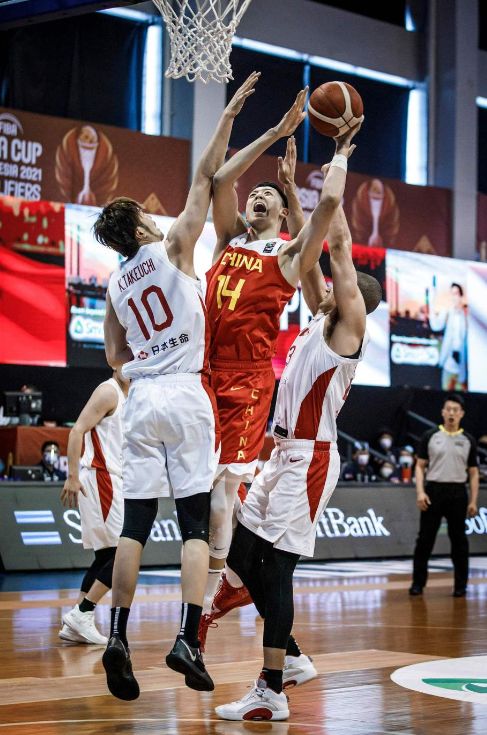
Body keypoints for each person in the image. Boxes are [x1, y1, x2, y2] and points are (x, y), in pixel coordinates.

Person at [94, 73, 260, 700]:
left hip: (140, 401)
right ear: (139, 228)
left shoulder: (115, 284)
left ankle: (116, 636)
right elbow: (206, 175)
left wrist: (144, 356)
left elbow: (114, 355)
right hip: (186, 395)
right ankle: (187, 637)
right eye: (142, 213)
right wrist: (230, 114)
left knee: (134, 526)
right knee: (193, 525)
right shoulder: (174, 246)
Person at [215, 136, 382, 722]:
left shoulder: (347, 328)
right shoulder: (319, 317)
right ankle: (290, 656)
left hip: (311, 458)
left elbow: (336, 244)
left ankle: (273, 688)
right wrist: (289, 189)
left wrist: (340, 155)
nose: (331, 284)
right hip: (283, 453)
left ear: (356, 299)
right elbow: (310, 261)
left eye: (341, 283)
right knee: (243, 552)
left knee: (275, 567)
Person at [201, 86, 310, 629]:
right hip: (203, 371)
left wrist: (291, 189)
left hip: (247, 380)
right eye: (257, 192)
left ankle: (209, 598)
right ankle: (239, 570)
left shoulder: (285, 253)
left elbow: (315, 238)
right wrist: (272, 133)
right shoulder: (228, 241)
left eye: (269, 196)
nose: (258, 196)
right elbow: (220, 180)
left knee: (221, 486)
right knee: (208, 487)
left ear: (281, 212)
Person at [59, 368, 128, 645]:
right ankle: (83, 612)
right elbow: (77, 430)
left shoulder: (134, 393)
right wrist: (72, 476)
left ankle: (78, 621)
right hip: (101, 477)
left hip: (114, 478)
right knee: (123, 554)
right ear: (115, 364)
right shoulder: (108, 391)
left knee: (105, 556)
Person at [410, 394, 479, 598]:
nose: (451, 413)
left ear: (461, 414)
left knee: (459, 541)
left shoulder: (468, 440)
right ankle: (417, 584)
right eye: (448, 409)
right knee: (425, 540)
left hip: (458, 492)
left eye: (455, 410)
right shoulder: (430, 435)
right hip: (434, 491)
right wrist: (420, 492)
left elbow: (473, 472)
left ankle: (461, 586)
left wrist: (473, 500)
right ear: (442, 412)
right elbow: (420, 466)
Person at [429, 282, 467, 391]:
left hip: (462, 367)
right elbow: (435, 325)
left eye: (456, 293)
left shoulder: (466, 315)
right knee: (445, 396)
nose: (454, 297)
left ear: (461, 295)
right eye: (452, 294)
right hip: (448, 364)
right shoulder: (447, 312)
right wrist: (432, 303)